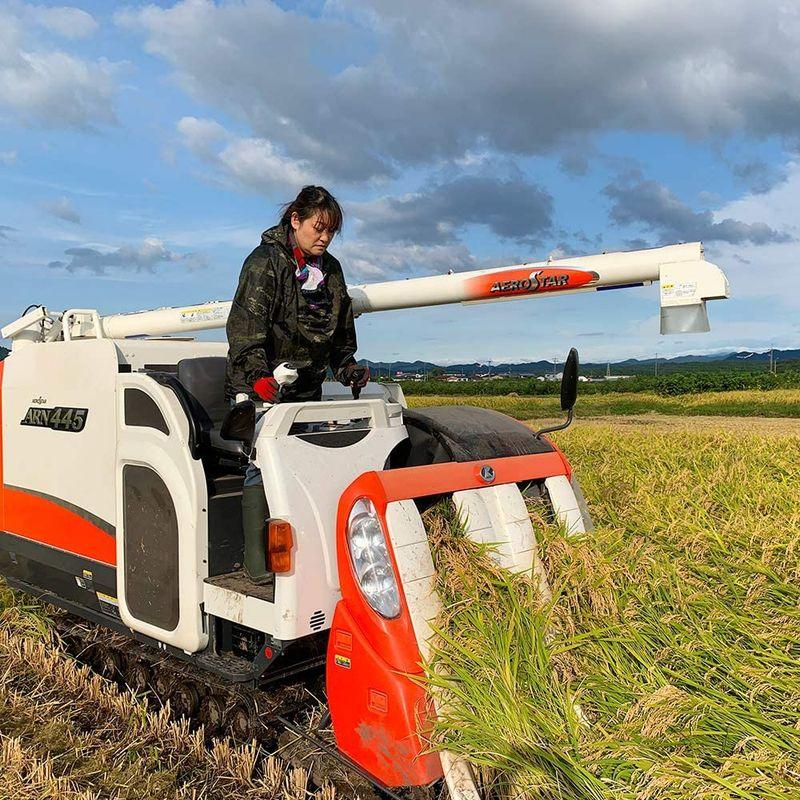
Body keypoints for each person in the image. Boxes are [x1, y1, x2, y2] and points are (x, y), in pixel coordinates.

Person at [225, 185, 370, 583]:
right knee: (264, 466)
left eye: (331, 232)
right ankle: (259, 567)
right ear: (295, 220)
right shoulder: (264, 264)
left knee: (308, 464)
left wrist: (348, 369)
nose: (324, 237)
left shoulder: (332, 271)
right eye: (318, 228)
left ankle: (312, 557)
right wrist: (258, 379)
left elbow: (340, 339)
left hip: (306, 392)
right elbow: (244, 330)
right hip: (261, 389)